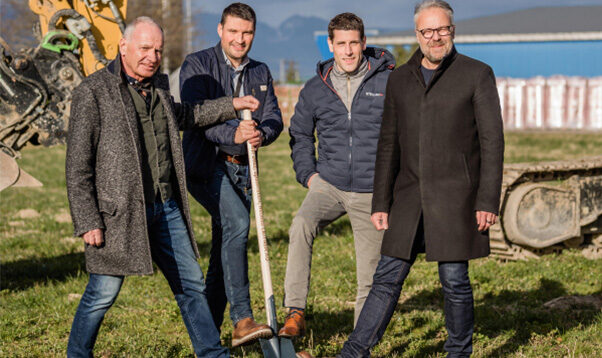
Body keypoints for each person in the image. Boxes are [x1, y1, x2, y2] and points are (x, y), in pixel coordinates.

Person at [65, 16, 260, 358]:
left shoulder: (158, 86)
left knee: (191, 287)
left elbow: (185, 115)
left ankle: (212, 354)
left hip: (166, 207)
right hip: (117, 214)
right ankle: (77, 354)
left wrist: (232, 104)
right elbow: (77, 165)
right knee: (102, 295)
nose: (152, 57)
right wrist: (88, 220)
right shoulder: (92, 92)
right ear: (122, 47)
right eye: (144, 48)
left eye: (157, 50)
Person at [338, 1, 504, 357]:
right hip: (408, 199)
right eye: (427, 31)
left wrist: (488, 199)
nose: (435, 37)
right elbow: (388, 144)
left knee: (454, 281)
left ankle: (458, 352)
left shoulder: (477, 74)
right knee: (386, 279)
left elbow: (492, 141)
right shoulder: (399, 79)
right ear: (417, 35)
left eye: (442, 29)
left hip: (455, 199)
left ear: (452, 31)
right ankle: (354, 351)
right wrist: (381, 201)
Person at [280, 12, 395, 338]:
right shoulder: (316, 88)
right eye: (340, 44)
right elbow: (300, 134)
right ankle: (295, 311)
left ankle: (360, 341)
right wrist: (309, 176)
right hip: (327, 184)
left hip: (371, 191)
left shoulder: (388, 80)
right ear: (330, 45)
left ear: (363, 43)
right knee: (301, 224)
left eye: (353, 43)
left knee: (369, 275)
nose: (347, 51)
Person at [179, 2, 283, 347]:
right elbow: (196, 117)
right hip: (206, 167)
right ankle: (242, 320)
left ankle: (205, 338)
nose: (240, 39)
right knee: (238, 226)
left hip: (243, 171)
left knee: (225, 251)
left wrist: (261, 134)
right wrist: (233, 133)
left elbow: (273, 118)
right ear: (221, 31)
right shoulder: (197, 65)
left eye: (247, 32)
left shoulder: (261, 71)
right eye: (234, 31)